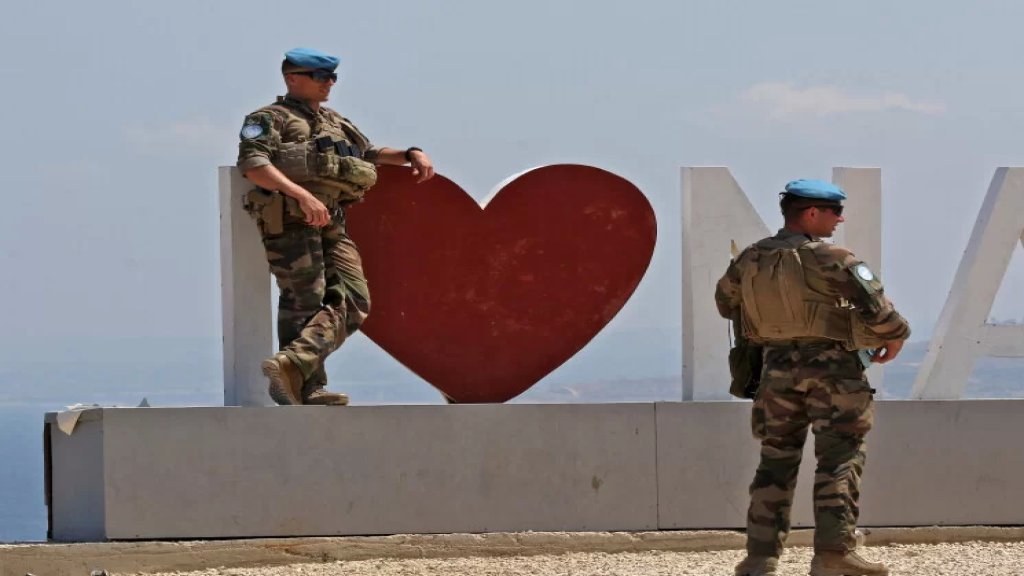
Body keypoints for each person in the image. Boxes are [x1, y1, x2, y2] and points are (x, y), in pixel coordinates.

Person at [715, 179, 910, 576]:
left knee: (775, 462)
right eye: (834, 212)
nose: (840, 219)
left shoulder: (750, 258)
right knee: (839, 460)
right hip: (834, 373)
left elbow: (725, 303)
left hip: (776, 372)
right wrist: (898, 336)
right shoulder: (833, 257)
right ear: (811, 214)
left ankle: (760, 559)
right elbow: (878, 312)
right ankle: (834, 554)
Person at [236, 47, 435, 406]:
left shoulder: (336, 122)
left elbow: (369, 153)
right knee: (305, 300)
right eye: (320, 77)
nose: (329, 83)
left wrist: (410, 154)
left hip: (332, 218)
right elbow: (252, 164)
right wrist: (301, 195)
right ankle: (308, 388)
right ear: (292, 78)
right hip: (291, 217)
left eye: (332, 78)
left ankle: (293, 363)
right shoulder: (269, 118)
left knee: (356, 299)